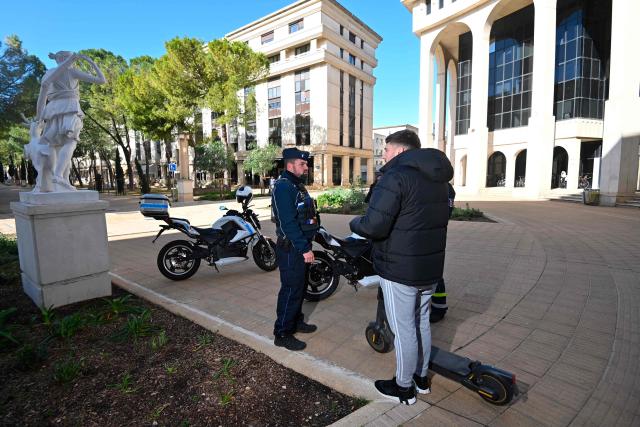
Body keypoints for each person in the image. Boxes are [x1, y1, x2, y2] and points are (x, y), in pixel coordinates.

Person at [350, 130, 453, 405]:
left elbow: (373, 225)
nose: (383, 155)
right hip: (429, 267)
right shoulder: (441, 181)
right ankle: (421, 379)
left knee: (404, 329)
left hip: (400, 269)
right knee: (421, 323)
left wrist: (355, 223)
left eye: (385, 150)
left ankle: (404, 387)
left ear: (399, 151)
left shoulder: (395, 177)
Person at [271, 148, 320, 351]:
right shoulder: (284, 187)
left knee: (299, 287)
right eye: (302, 164)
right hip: (292, 249)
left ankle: (296, 321)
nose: (306, 166)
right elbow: (287, 223)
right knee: (291, 290)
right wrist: (304, 249)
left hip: (300, 247)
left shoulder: (296, 185)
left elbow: (306, 213)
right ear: (290, 165)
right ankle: (282, 332)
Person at [35, 51, 106, 190]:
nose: (73, 61)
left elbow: (42, 94)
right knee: (70, 142)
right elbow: (101, 80)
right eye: (70, 58)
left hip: (53, 110)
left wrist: (39, 116)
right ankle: (58, 175)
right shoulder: (70, 71)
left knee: (58, 146)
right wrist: (91, 63)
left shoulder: (49, 73)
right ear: (64, 59)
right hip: (70, 106)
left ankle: (63, 180)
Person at [430, 182, 456, 323]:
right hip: (429, 235)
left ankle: (439, 307)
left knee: (435, 274)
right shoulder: (444, 186)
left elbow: (445, 213)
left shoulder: (444, 187)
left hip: (433, 236)